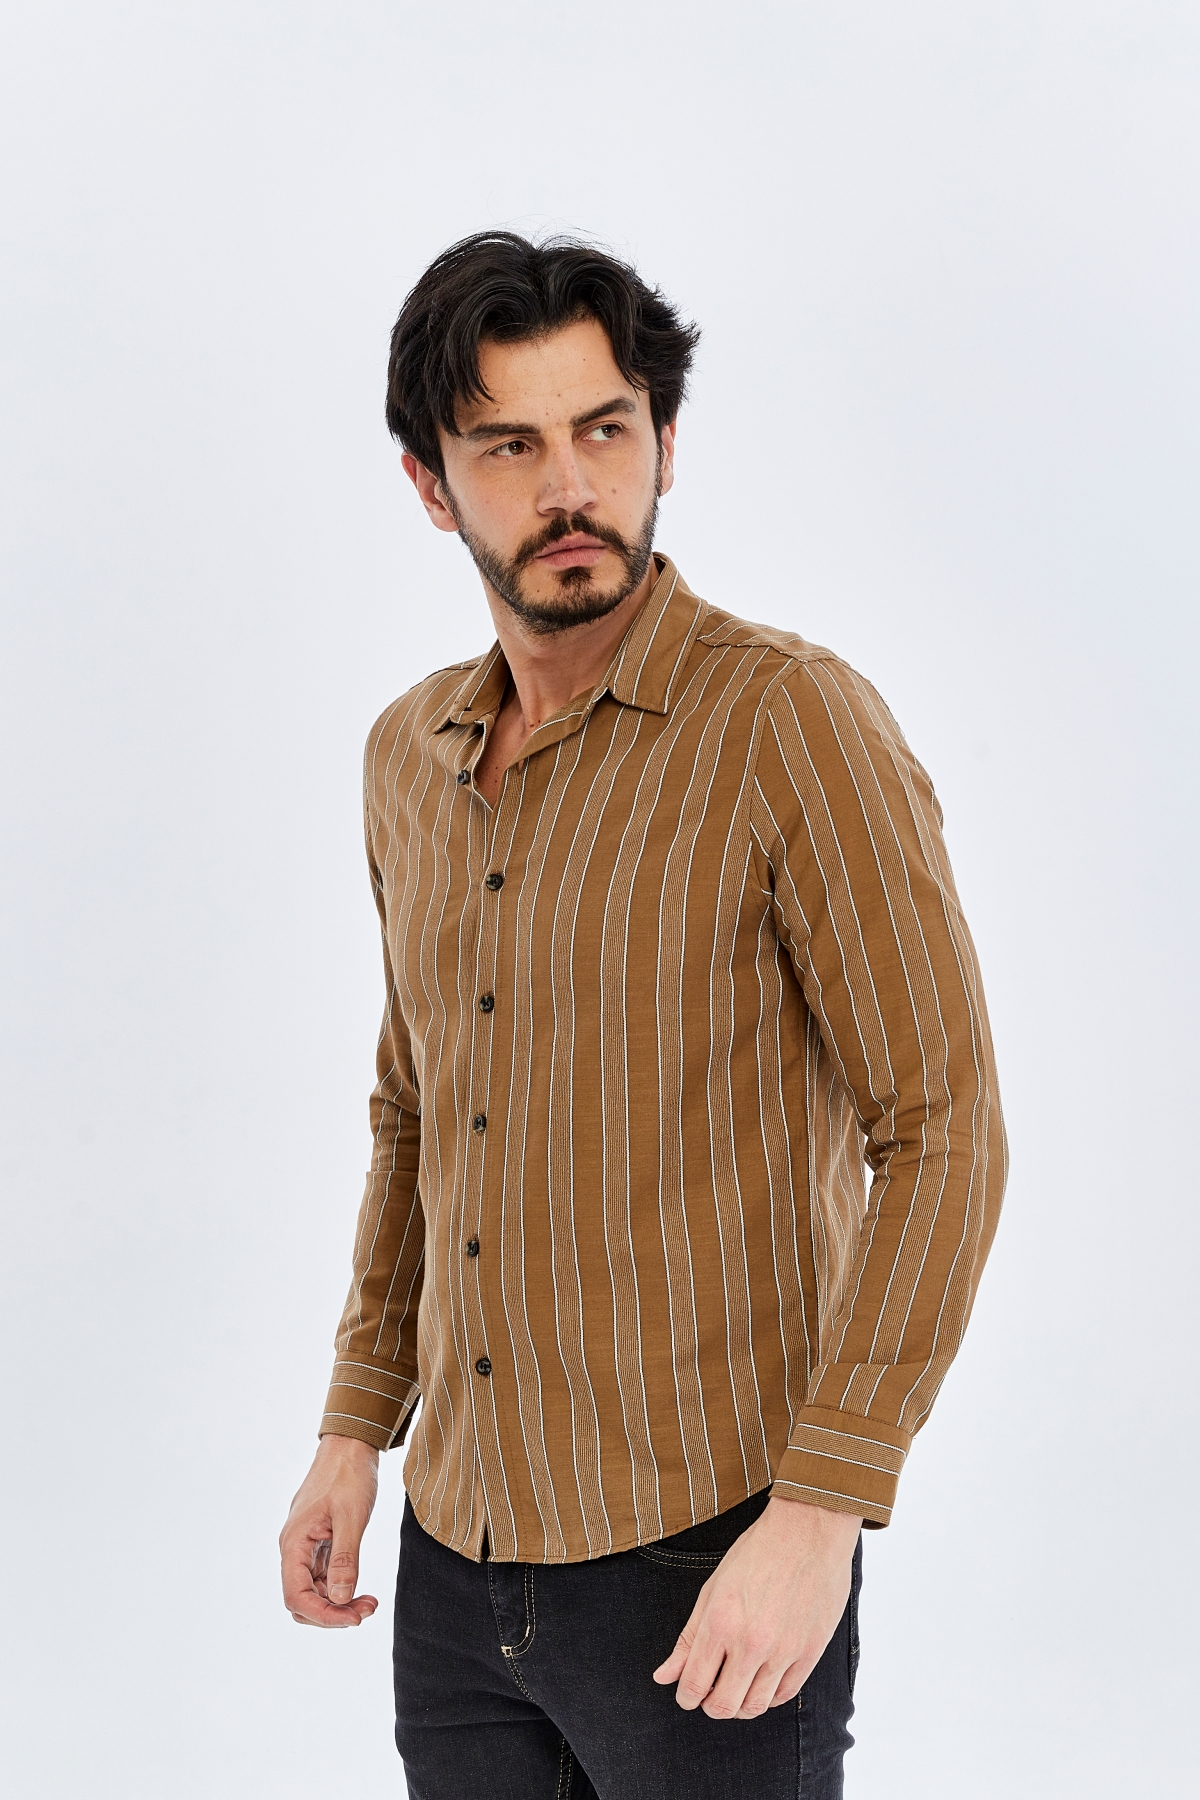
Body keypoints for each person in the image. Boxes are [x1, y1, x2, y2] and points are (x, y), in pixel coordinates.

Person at [278, 231, 1006, 1799]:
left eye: (604, 430)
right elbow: (417, 1112)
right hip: (454, 1567)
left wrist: (820, 1512)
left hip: (709, 1559)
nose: (570, 489)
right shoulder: (409, 756)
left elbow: (941, 1129)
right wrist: (356, 1426)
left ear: (664, 440)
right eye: (508, 447)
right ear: (430, 485)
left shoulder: (790, 723)